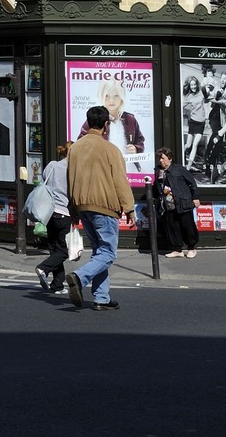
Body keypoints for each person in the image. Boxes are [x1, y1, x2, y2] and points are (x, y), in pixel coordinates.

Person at [66, 105, 134, 312]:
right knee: (108, 253)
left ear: (88, 123)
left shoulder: (75, 148)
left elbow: (70, 179)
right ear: (106, 125)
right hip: (104, 206)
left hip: (83, 205)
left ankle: (102, 297)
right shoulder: (110, 149)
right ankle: (79, 276)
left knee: (99, 251)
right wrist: (129, 208)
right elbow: (119, 181)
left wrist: (73, 208)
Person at [33, 143, 72, 292]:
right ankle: (43, 268)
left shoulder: (52, 165)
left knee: (55, 248)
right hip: (64, 212)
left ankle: (57, 285)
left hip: (49, 212)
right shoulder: (72, 169)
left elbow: (44, 179)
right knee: (63, 251)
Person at [79, 79, 146, 155]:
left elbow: (140, 140)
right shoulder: (95, 118)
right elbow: (81, 142)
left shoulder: (130, 119)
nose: (111, 100)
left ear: (121, 97)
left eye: (116, 96)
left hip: (127, 164)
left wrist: (136, 148)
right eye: (107, 96)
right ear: (102, 96)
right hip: (103, 164)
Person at [154, 147, 200, 258]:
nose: (160, 160)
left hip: (182, 202)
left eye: (163, 158)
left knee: (187, 226)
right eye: (159, 158)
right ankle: (177, 249)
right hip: (168, 205)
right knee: (173, 227)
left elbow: (192, 183)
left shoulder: (179, 169)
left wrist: (195, 197)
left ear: (169, 158)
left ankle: (191, 248)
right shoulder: (158, 171)